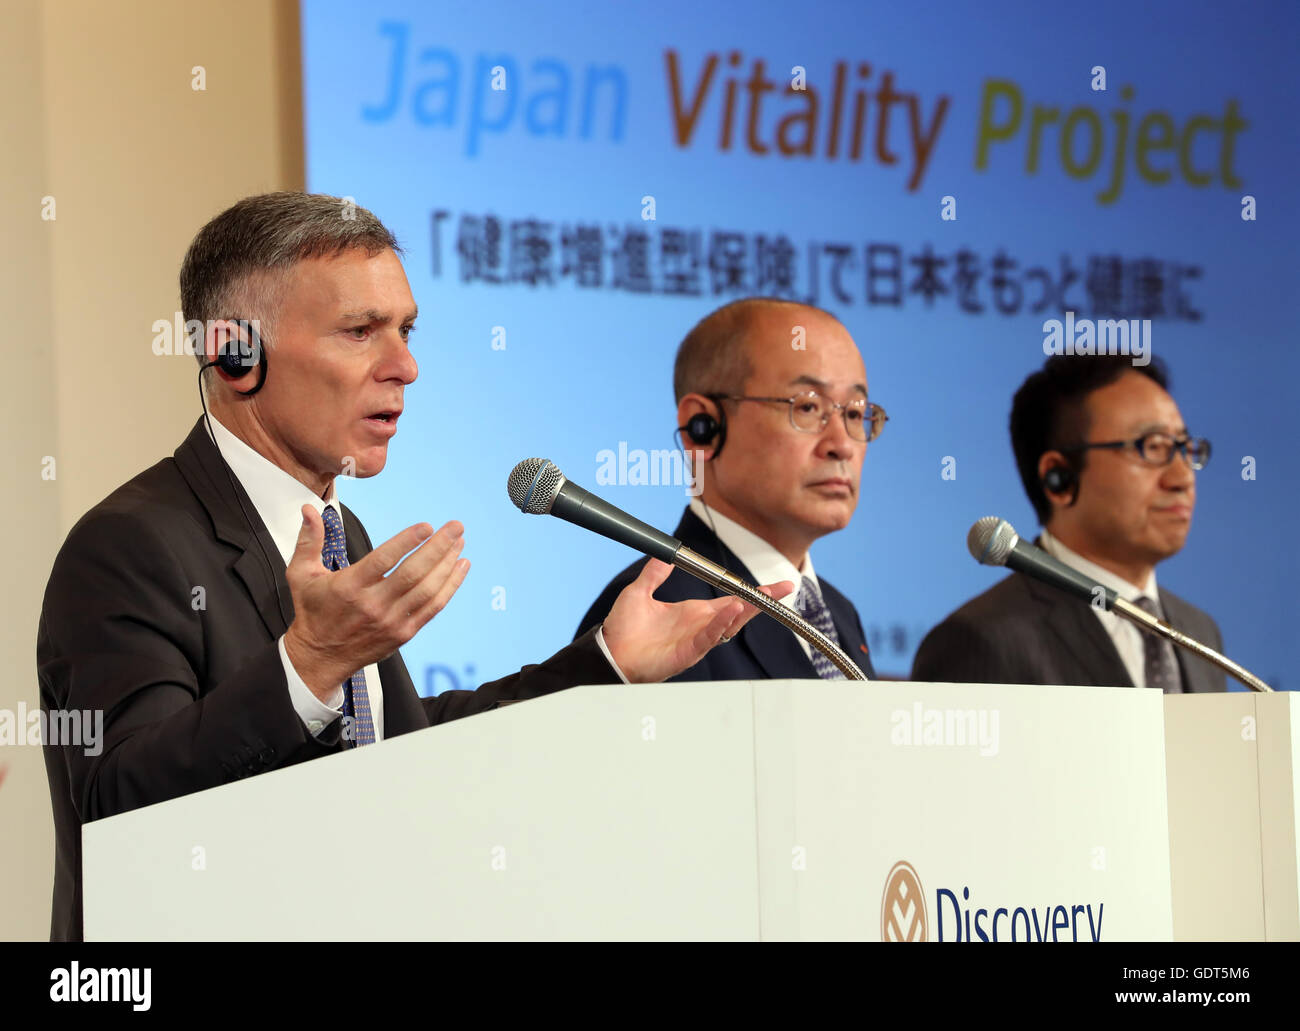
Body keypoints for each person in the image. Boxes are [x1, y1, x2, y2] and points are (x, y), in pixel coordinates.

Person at [37, 193, 789, 941]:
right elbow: (118, 812)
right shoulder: (130, 545)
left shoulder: (339, 531)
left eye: (406, 330)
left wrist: (604, 664)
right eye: (360, 331)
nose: (406, 366)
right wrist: (306, 667)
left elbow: (402, 750)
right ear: (236, 355)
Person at [576, 297, 881, 681]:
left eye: (854, 413)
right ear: (702, 425)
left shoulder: (838, 613)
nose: (842, 444)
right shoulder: (654, 612)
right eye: (807, 407)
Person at [912, 354, 1225, 692]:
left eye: (1183, 448)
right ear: (1058, 479)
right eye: (1152, 447)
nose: (1182, 477)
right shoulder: (980, 638)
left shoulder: (1199, 634)